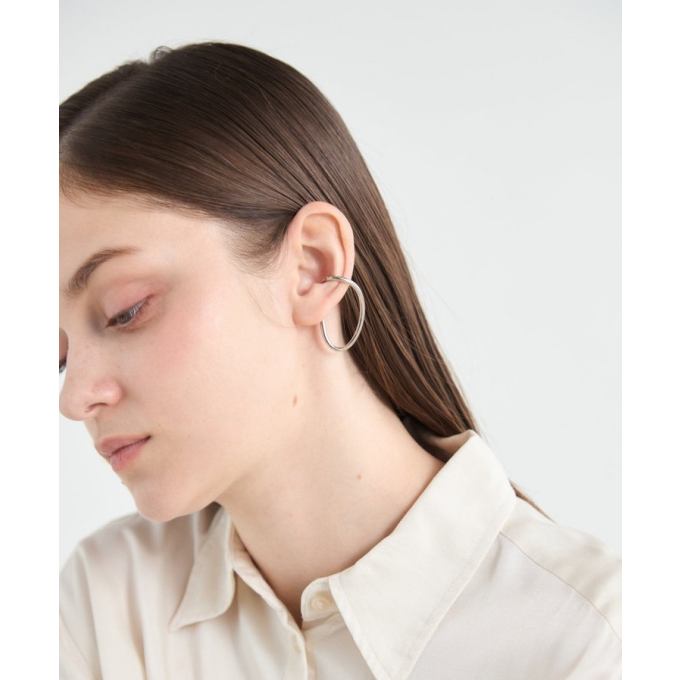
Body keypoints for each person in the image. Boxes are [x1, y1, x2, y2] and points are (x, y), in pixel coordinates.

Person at [58, 42, 621, 679]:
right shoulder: (104, 605)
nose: (75, 399)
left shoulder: (594, 639)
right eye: (59, 355)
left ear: (312, 266)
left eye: (126, 310)